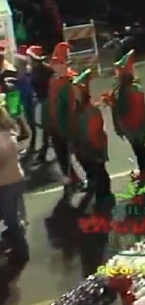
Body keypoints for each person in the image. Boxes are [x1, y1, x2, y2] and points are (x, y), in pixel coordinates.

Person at [105, 51, 145, 181]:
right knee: (141, 149)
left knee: (139, 150)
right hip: (140, 125)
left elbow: (122, 109)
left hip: (133, 127)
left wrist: (111, 103)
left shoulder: (124, 92)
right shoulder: (135, 88)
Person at [40, 42, 82, 186]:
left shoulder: (71, 81)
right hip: (55, 123)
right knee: (61, 152)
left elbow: (75, 104)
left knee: (79, 152)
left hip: (67, 124)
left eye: (57, 63)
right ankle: (72, 177)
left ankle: (87, 179)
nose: (53, 66)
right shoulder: (54, 80)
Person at [72, 68, 112, 209]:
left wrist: (95, 151)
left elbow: (95, 133)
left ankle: (105, 196)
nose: (74, 95)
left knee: (100, 172)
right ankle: (98, 190)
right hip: (84, 149)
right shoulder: (78, 110)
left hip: (93, 149)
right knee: (94, 172)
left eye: (77, 93)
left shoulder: (91, 112)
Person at [0, 93, 28, 270]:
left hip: (7, 183)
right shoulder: (8, 133)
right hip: (15, 178)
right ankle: (16, 233)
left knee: (11, 218)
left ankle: (21, 249)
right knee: (13, 214)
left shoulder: (2, 140)